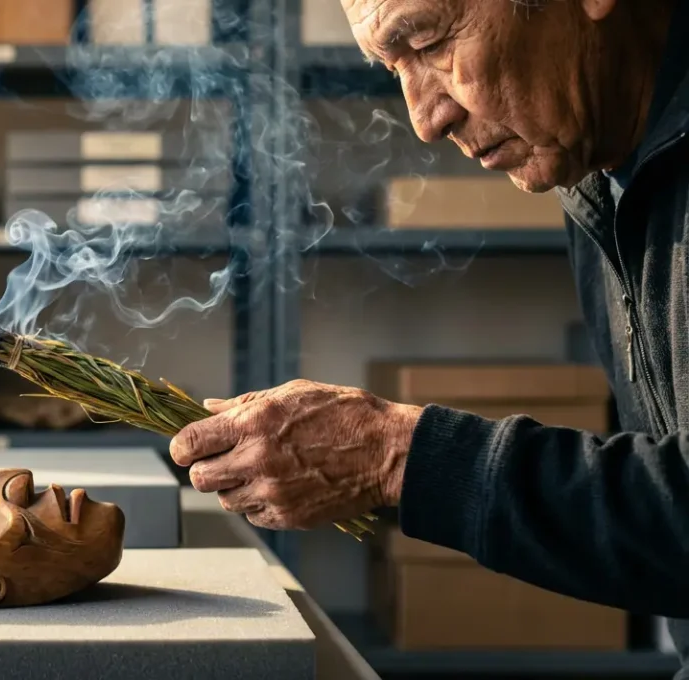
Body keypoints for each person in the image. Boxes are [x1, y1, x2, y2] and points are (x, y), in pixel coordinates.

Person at [168, 0, 689, 676]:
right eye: (393, 68)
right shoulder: (599, 166)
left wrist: (399, 456)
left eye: (433, 42)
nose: (426, 118)